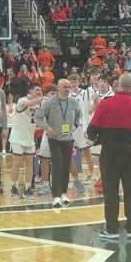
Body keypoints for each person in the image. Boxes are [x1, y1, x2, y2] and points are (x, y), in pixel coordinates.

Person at [86, 73, 131, 241]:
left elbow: (92, 130)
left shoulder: (105, 104)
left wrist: (98, 138)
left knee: (110, 192)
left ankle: (112, 229)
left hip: (110, 154)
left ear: (117, 85)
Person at [35, 78, 81, 209]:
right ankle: (55, 195)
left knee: (66, 167)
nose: (68, 89)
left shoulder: (73, 102)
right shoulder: (50, 103)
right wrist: (47, 128)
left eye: (69, 87)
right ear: (59, 89)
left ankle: (64, 193)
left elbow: (79, 114)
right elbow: (37, 116)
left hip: (68, 140)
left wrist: (75, 125)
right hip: (55, 140)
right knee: (57, 166)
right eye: (65, 87)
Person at [9, 85, 42, 198]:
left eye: (40, 90)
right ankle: (14, 187)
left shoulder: (39, 104)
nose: (40, 91)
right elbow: (28, 104)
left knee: (29, 162)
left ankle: (27, 188)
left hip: (29, 137)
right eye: (37, 90)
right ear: (30, 91)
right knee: (17, 162)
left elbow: (36, 119)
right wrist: (42, 98)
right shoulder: (22, 100)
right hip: (17, 137)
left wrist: (38, 126)